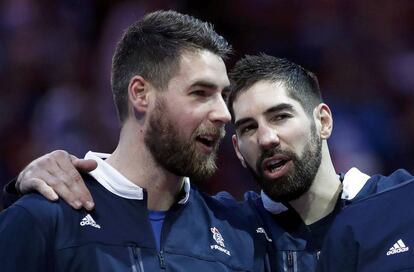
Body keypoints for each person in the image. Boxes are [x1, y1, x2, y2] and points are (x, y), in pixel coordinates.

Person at [6, 54, 414, 271]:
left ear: (322, 120)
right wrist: (35, 174)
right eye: (248, 127)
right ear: (237, 149)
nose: (266, 137)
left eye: (280, 116)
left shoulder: (403, 202)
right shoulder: (236, 228)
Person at [0, 11, 273, 271]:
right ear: (141, 94)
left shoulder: (238, 233)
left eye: (223, 97)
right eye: (201, 93)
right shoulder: (45, 221)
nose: (224, 114)